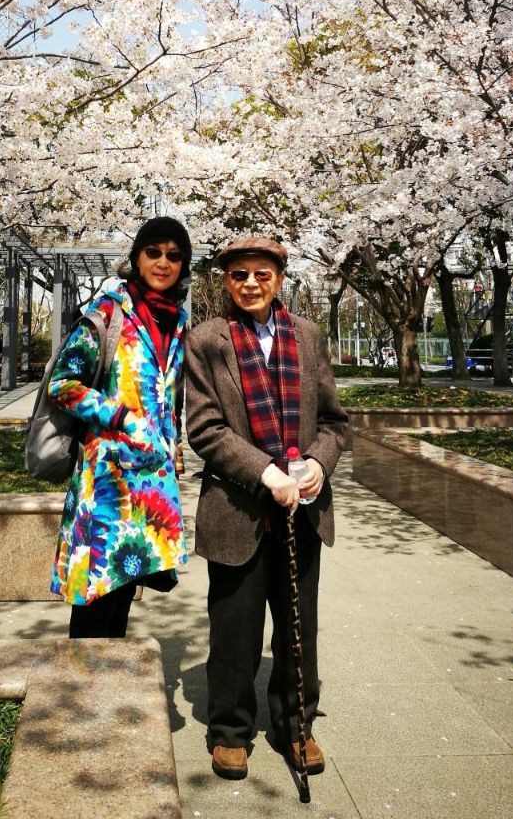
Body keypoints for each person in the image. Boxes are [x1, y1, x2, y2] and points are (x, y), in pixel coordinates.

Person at [185, 235, 348, 781]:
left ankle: (296, 725)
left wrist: (319, 463)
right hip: (238, 507)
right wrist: (265, 472)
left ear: (279, 278)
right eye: (239, 274)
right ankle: (230, 730)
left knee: (299, 626)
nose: (251, 283)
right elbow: (205, 428)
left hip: (304, 507)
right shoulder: (205, 340)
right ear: (225, 281)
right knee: (235, 627)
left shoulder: (308, 335)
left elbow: (334, 422)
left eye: (262, 273)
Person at [48, 216, 191, 638]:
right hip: (107, 482)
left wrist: (174, 444)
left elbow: (169, 395)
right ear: (136, 258)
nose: (163, 263)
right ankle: (80, 677)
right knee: (97, 595)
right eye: (153, 253)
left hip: (150, 483)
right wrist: (122, 416)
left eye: (173, 256)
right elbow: (63, 385)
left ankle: (112, 677)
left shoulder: (177, 323)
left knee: (124, 595)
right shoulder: (108, 313)